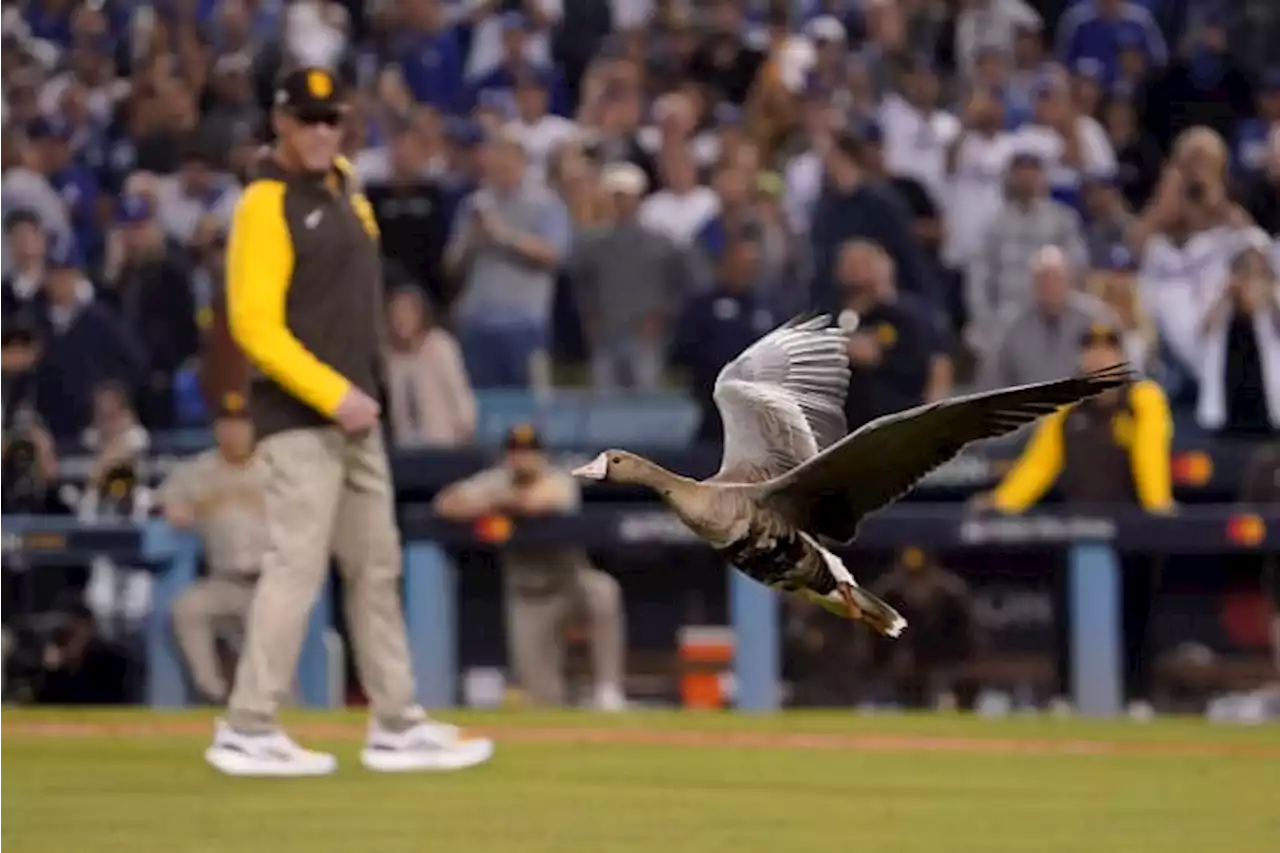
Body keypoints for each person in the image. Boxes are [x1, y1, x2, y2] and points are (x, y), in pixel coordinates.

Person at [207, 67, 493, 776]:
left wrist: (359, 397)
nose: (319, 131)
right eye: (306, 119)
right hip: (302, 416)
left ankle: (395, 721)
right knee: (296, 564)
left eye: (330, 119)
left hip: (358, 413)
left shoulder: (346, 191)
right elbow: (253, 325)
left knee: (376, 566)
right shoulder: (264, 202)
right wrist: (333, 392)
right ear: (280, 122)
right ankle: (247, 724)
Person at [971, 323, 1174, 715]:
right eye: (1091, 348)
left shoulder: (1143, 398)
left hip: (1132, 524)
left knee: (1137, 609)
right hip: (1077, 526)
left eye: (1108, 348)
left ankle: (1138, 696)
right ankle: (1065, 693)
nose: (1098, 356)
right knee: (1067, 610)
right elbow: (1040, 464)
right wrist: (1002, 502)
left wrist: (1157, 505)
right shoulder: (1068, 406)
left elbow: (1151, 451)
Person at [433, 424, 627, 710]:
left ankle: (608, 691)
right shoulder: (496, 480)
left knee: (603, 591)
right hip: (527, 598)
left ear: (542, 456)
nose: (522, 459)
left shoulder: (558, 479)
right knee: (543, 700)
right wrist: (494, 501)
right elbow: (445, 504)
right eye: (515, 452)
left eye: (529, 452)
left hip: (569, 584)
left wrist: (491, 504)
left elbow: (540, 503)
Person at [160, 395, 267, 704]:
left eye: (240, 424)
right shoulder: (199, 471)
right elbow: (164, 500)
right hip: (223, 581)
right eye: (227, 424)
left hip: (271, 584)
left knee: (277, 682)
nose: (233, 431)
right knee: (187, 607)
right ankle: (213, 693)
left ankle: (282, 711)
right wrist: (173, 508)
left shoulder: (275, 469)